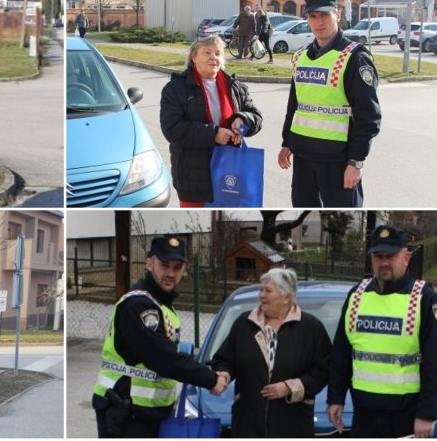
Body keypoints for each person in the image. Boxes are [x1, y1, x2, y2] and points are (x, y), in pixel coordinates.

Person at [92, 236, 228, 438]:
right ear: (149, 263)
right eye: (164, 265)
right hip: (125, 412)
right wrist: (210, 379)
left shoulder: (159, 304)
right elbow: (163, 357)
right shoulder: (138, 305)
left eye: (177, 267)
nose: (171, 273)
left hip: (144, 413)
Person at [327, 225, 437, 438]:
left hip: (407, 416)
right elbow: (341, 353)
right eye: (378, 256)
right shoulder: (357, 296)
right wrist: (335, 398)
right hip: (364, 415)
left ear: (406, 257)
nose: (384, 262)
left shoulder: (424, 299)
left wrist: (427, 414)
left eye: (390, 256)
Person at [277, 0, 381, 207]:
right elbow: (294, 106)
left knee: (343, 212)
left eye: (325, 15)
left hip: (338, 159)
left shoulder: (354, 58)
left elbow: (368, 116)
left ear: (338, 14)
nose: (319, 22)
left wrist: (356, 162)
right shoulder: (300, 57)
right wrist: (287, 142)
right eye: (313, 16)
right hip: (303, 155)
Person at [211, 268, 332, 437]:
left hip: (292, 424)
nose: (261, 295)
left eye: (268, 290)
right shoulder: (244, 323)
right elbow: (224, 359)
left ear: (287, 297)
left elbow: (324, 370)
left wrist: (290, 387)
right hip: (248, 423)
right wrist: (223, 376)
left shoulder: (311, 328)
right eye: (261, 289)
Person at [159, 36, 263, 207]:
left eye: (218, 53)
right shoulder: (175, 89)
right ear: (193, 57)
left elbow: (256, 116)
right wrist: (213, 134)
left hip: (230, 172)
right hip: (194, 177)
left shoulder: (235, 87)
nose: (213, 57)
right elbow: (172, 129)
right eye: (207, 52)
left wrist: (242, 120)